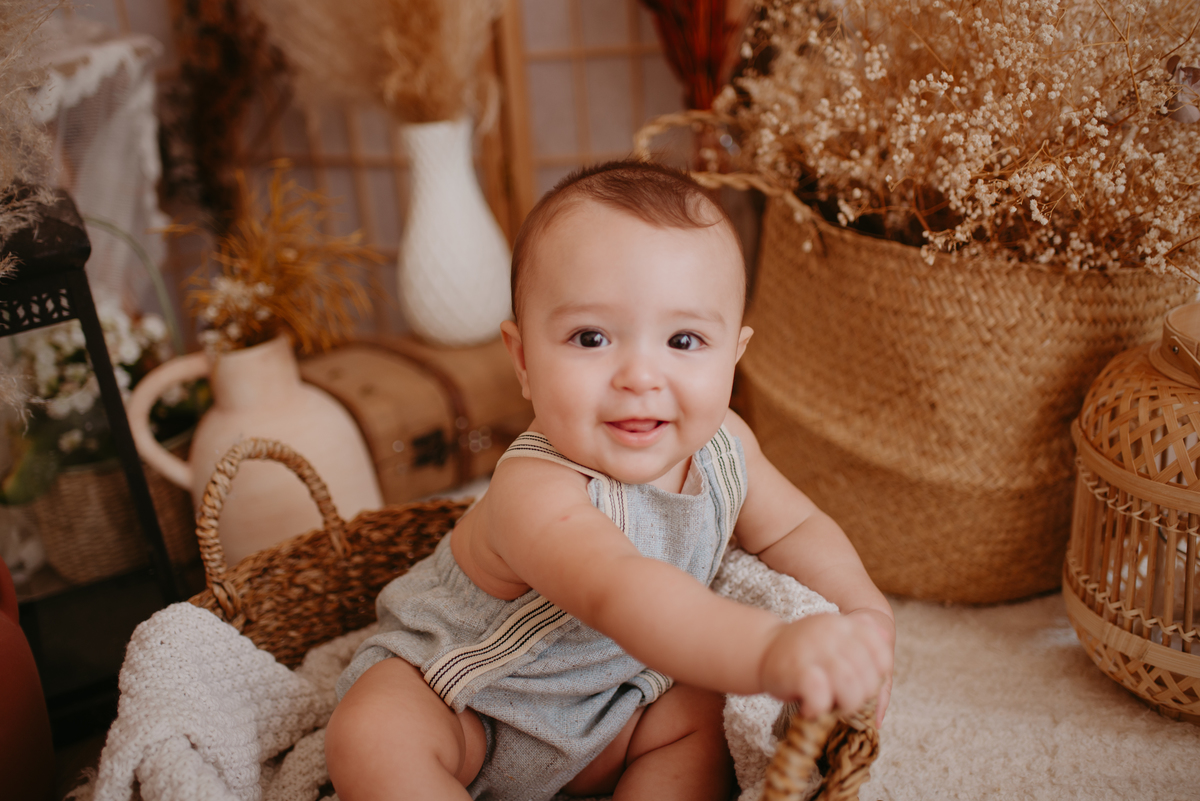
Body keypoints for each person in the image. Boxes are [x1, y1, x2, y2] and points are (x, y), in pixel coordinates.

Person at [324, 160, 894, 801]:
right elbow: (625, 593)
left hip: (613, 714)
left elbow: (796, 526)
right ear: (522, 360)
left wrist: (863, 611)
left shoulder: (727, 446)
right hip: (467, 704)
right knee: (371, 734)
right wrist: (769, 653)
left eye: (684, 340)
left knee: (710, 717)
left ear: (734, 355)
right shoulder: (535, 487)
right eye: (591, 337)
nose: (640, 376)